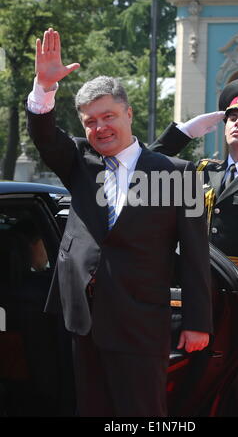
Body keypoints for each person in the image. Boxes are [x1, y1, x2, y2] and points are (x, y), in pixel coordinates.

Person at [25, 28, 213, 417]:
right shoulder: (78, 161)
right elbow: (44, 136)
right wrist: (44, 87)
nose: (100, 128)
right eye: (90, 121)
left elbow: (196, 256)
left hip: (140, 322)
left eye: (108, 116)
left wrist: (197, 322)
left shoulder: (179, 175)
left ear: (129, 113)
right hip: (82, 319)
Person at [150, 77, 238, 417]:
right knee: (188, 388)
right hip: (192, 296)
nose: (237, 124)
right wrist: (182, 133)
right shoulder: (200, 172)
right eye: (231, 118)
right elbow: (145, 164)